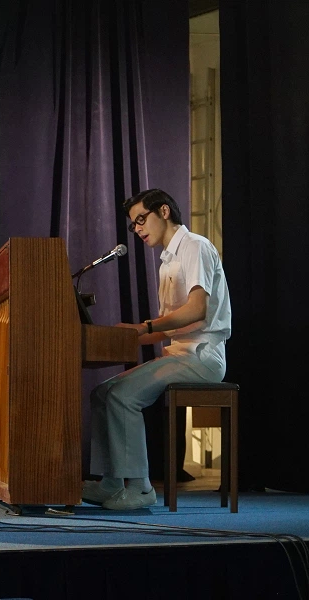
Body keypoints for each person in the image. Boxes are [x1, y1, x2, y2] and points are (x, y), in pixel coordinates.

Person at [83, 188, 231, 510]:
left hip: (203, 355)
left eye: (140, 219)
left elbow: (196, 311)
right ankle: (111, 482)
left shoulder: (195, 246)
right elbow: (169, 326)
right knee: (102, 393)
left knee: (123, 396)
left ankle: (140, 488)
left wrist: (144, 328)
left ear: (163, 211)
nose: (137, 229)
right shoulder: (168, 262)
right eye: (133, 224)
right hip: (181, 352)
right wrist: (126, 335)